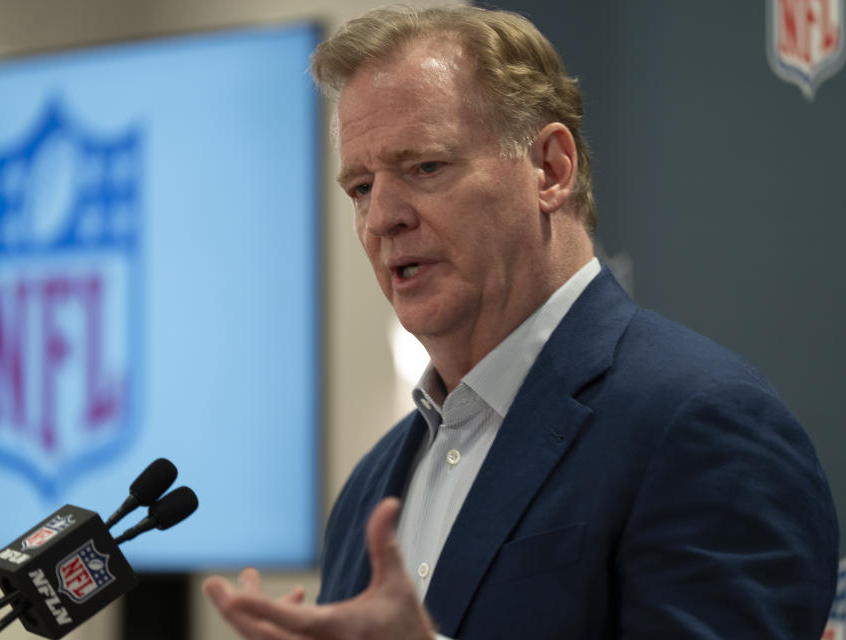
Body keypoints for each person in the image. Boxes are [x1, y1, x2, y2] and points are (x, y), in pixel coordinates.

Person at [204, 6, 839, 638]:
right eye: (362, 186)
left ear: (550, 169)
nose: (382, 219)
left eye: (425, 166)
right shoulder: (370, 490)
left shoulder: (702, 423)